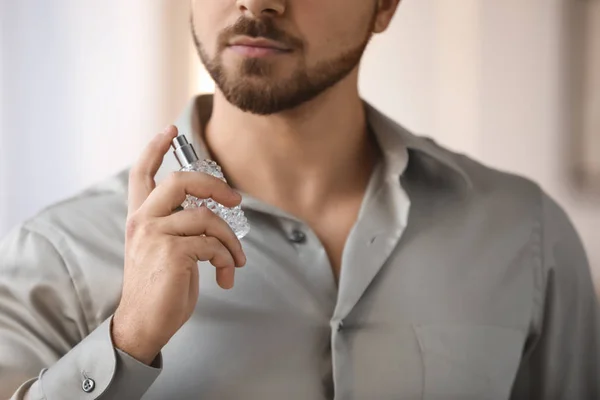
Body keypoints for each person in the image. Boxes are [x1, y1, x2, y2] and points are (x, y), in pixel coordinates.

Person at [1, 0, 599, 398]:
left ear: (386, 4)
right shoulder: (59, 257)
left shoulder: (526, 237)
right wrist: (125, 342)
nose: (259, 1)